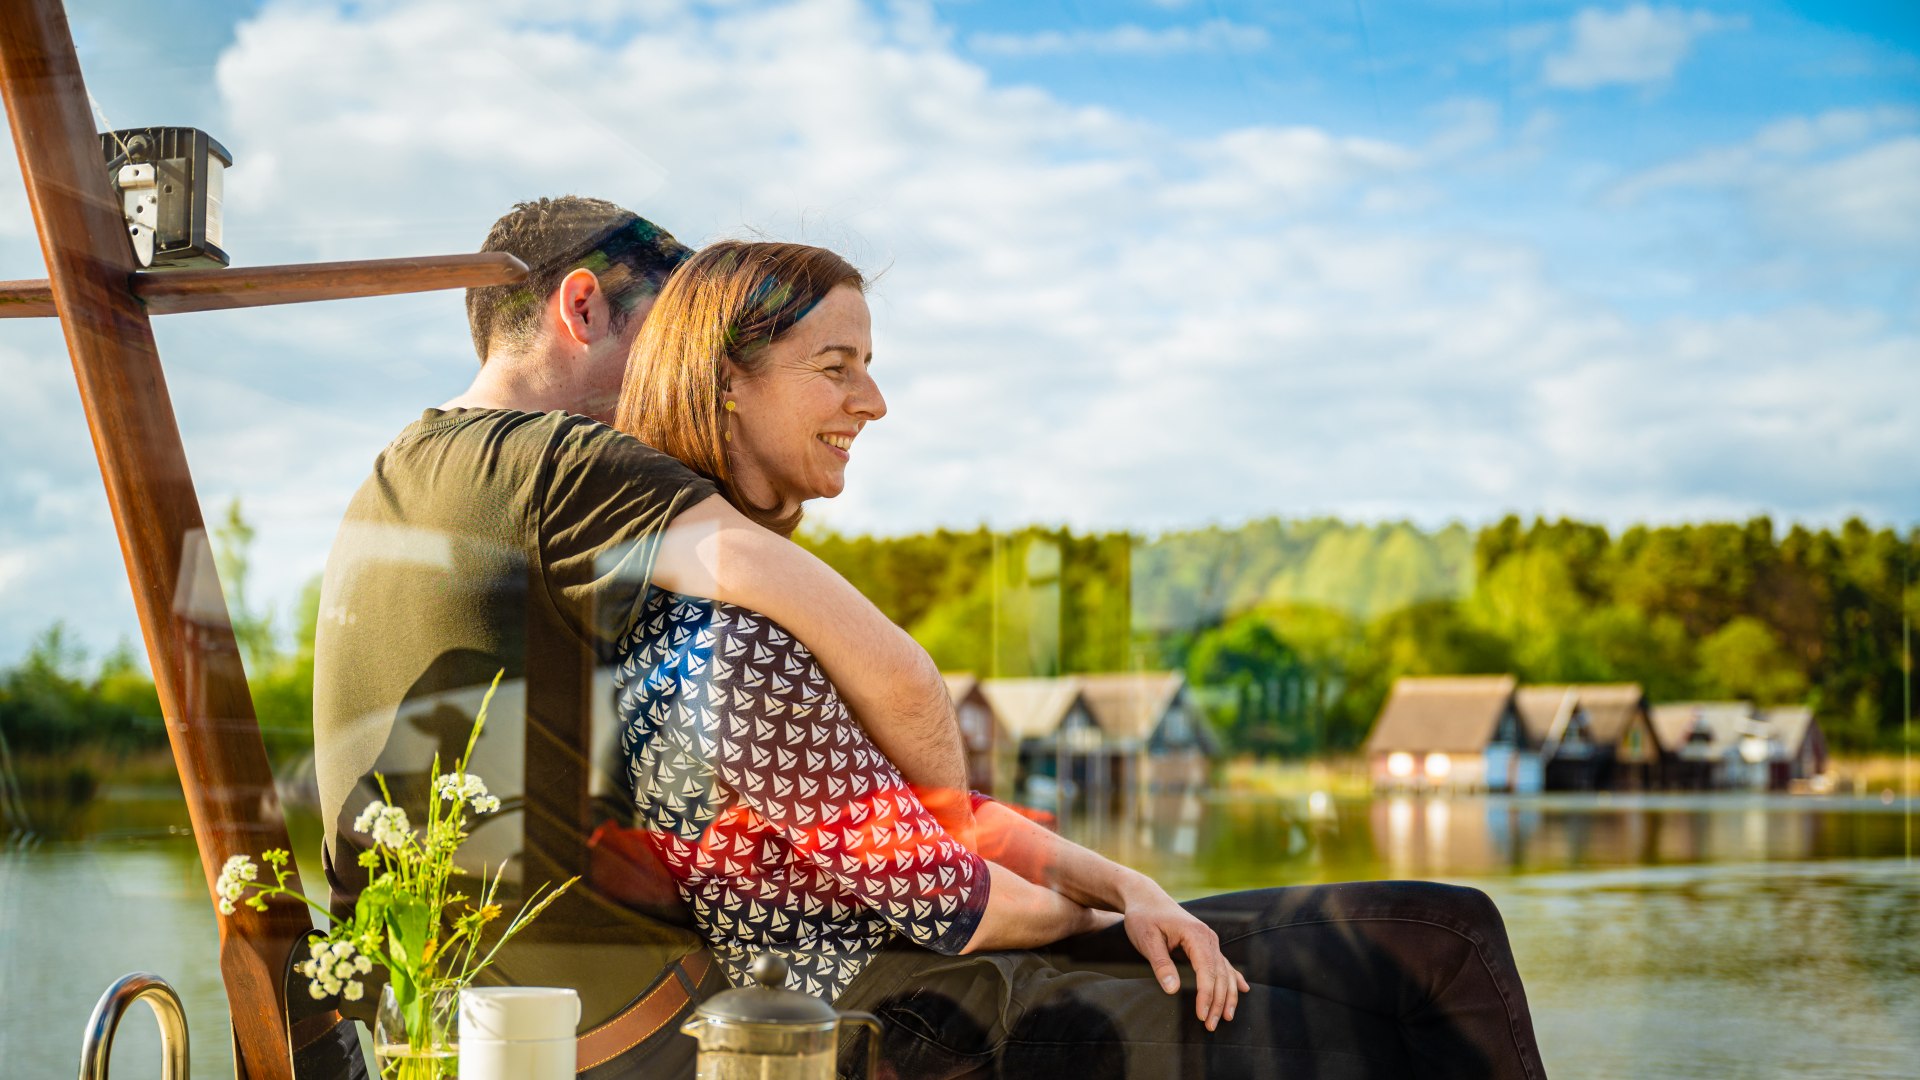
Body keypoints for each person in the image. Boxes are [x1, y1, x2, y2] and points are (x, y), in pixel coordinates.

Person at [610, 240, 1551, 1079]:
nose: (875, 401)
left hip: (965, 971)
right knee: (1402, 980)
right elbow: (950, 899)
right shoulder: (720, 643)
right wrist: (1118, 917)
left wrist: (1133, 885)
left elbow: (942, 822)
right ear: (728, 379)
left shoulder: (754, 605)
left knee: (1440, 931)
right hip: (913, 1019)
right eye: (836, 366)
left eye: (870, 365)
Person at [312, 198, 981, 1079]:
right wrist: (946, 891)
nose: (685, 372)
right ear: (582, 307)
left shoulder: (391, 478)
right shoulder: (566, 463)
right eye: (670, 336)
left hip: (439, 1040)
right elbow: (895, 670)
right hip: (623, 1042)